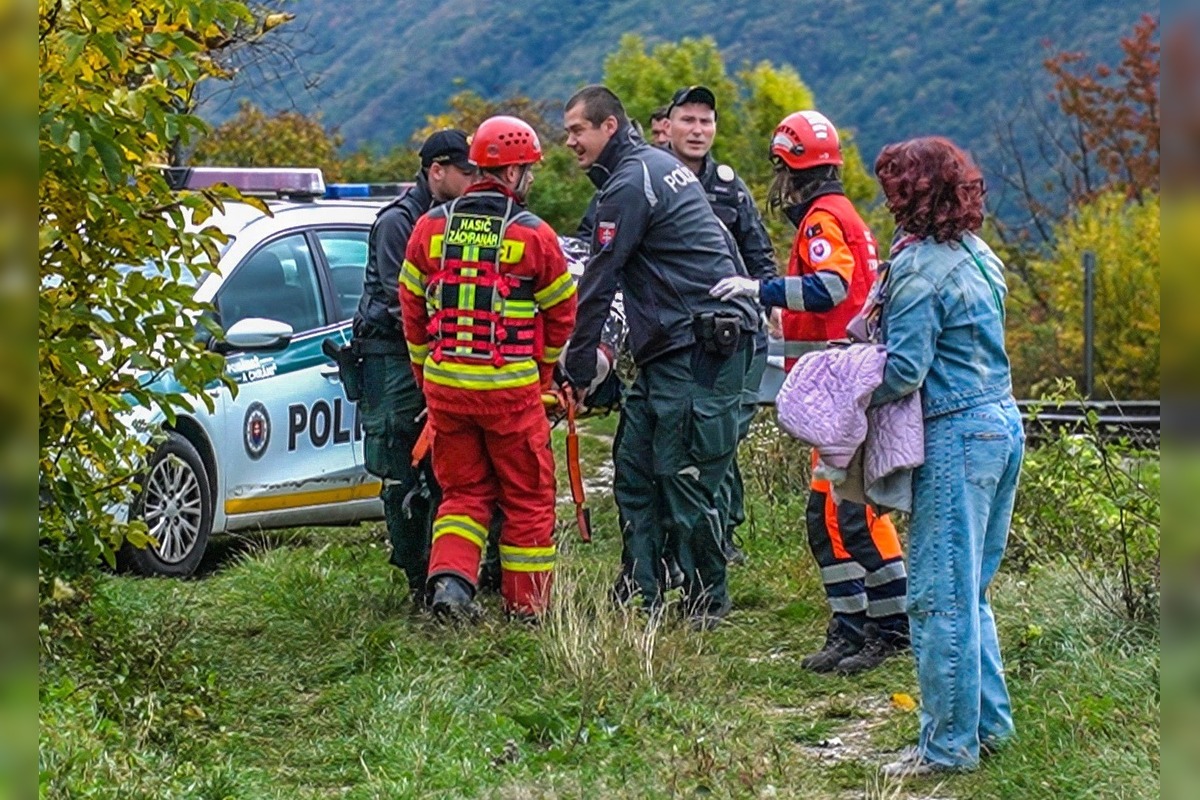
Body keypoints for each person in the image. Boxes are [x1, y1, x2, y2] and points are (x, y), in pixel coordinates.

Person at [711, 110, 909, 672]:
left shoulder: (823, 220)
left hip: (841, 391)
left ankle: (883, 628)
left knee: (845, 517)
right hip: (847, 388)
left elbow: (829, 288)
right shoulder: (845, 215)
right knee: (837, 516)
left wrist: (761, 290)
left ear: (790, 168)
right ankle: (859, 626)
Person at [562, 85, 759, 630]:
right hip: (670, 348)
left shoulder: (633, 182)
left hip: (699, 346)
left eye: (577, 130)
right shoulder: (653, 168)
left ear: (608, 126)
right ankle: (641, 588)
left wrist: (577, 368)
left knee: (682, 474)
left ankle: (705, 600)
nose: (570, 142)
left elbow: (599, 279)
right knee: (634, 468)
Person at [868, 137, 1024, 777]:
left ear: (911, 193)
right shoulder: (979, 255)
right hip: (1002, 422)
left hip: (956, 434)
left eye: (894, 188)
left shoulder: (916, 269)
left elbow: (905, 369)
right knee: (971, 591)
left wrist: (845, 389)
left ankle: (947, 747)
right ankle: (990, 727)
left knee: (937, 599)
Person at [399, 116, 577, 621]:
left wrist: (426, 379)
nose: (531, 179)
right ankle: (527, 607)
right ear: (513, 172)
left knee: (462, 494)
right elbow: (562, 315)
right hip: (511, 394)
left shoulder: (429, 227)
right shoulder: (534, 235)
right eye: (529, 170)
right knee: (528, 497)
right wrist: (543, 376)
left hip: (446, 392)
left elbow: (411, 311)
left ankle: (450, 589)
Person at [351, 129, 477, 603]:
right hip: (392, 359)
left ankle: (446, 573)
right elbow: (403, 300)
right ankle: (415, 576)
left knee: (447, 469)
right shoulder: (399, 223)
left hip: (432, 355)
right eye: (465, 172)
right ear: (436, 171)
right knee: (403, 465)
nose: (472, 181)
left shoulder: (455, 220)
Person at [665, 84, 778, 567]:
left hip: (733, 334)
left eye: (705, 121)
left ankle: (721, 532)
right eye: (688, 120)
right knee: (683, 436)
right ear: (667, 126)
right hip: (674, 333)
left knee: (726, 431)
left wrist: (768, 302)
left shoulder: (729, 187)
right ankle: (678, 537)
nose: (697, 130)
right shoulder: (650, 180)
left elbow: (759, 251)